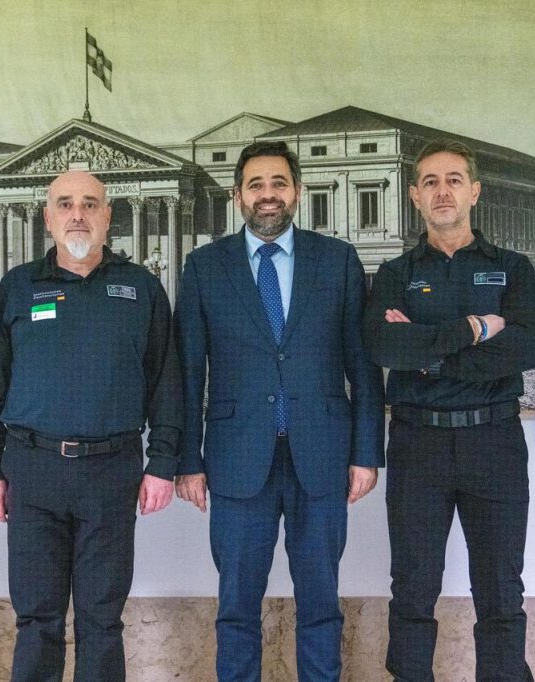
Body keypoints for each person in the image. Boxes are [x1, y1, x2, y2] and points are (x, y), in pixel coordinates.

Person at [174, 140, 384, 681]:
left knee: (321, 606)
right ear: (238, 195)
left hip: (322, 457)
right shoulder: (204, 266)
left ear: (297, 191)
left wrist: (366, 453)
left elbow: (363, 365)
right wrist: (187, 460)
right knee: (236, 609)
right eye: (256, 185)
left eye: (278, 183)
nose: (268, 195)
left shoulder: (337, 260)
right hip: (236, 460)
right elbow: (187, 372)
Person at [0, 170, 180, 682]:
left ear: (109, 216)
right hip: (32, 471)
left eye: (90, 203)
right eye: (65, 204)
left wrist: (163, 463)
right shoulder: (19, 287)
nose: (78, 214)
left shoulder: (142, 288)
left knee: (102, 620)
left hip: (112, 473)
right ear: (48, 218)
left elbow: (166, 382)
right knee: (36, 619)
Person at [363, 140, 535, 681]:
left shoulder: (511, 268)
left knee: (500, 590)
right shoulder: (395, 273)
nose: (442, 191)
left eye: (453, 180)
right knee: (413, 588)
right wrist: (475, 329)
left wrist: (430, 355)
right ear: (415, 196)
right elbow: (384, 346)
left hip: (494, 442)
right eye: (430, 181)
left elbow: (530, 345)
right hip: (417, 445)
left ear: (474, 191)